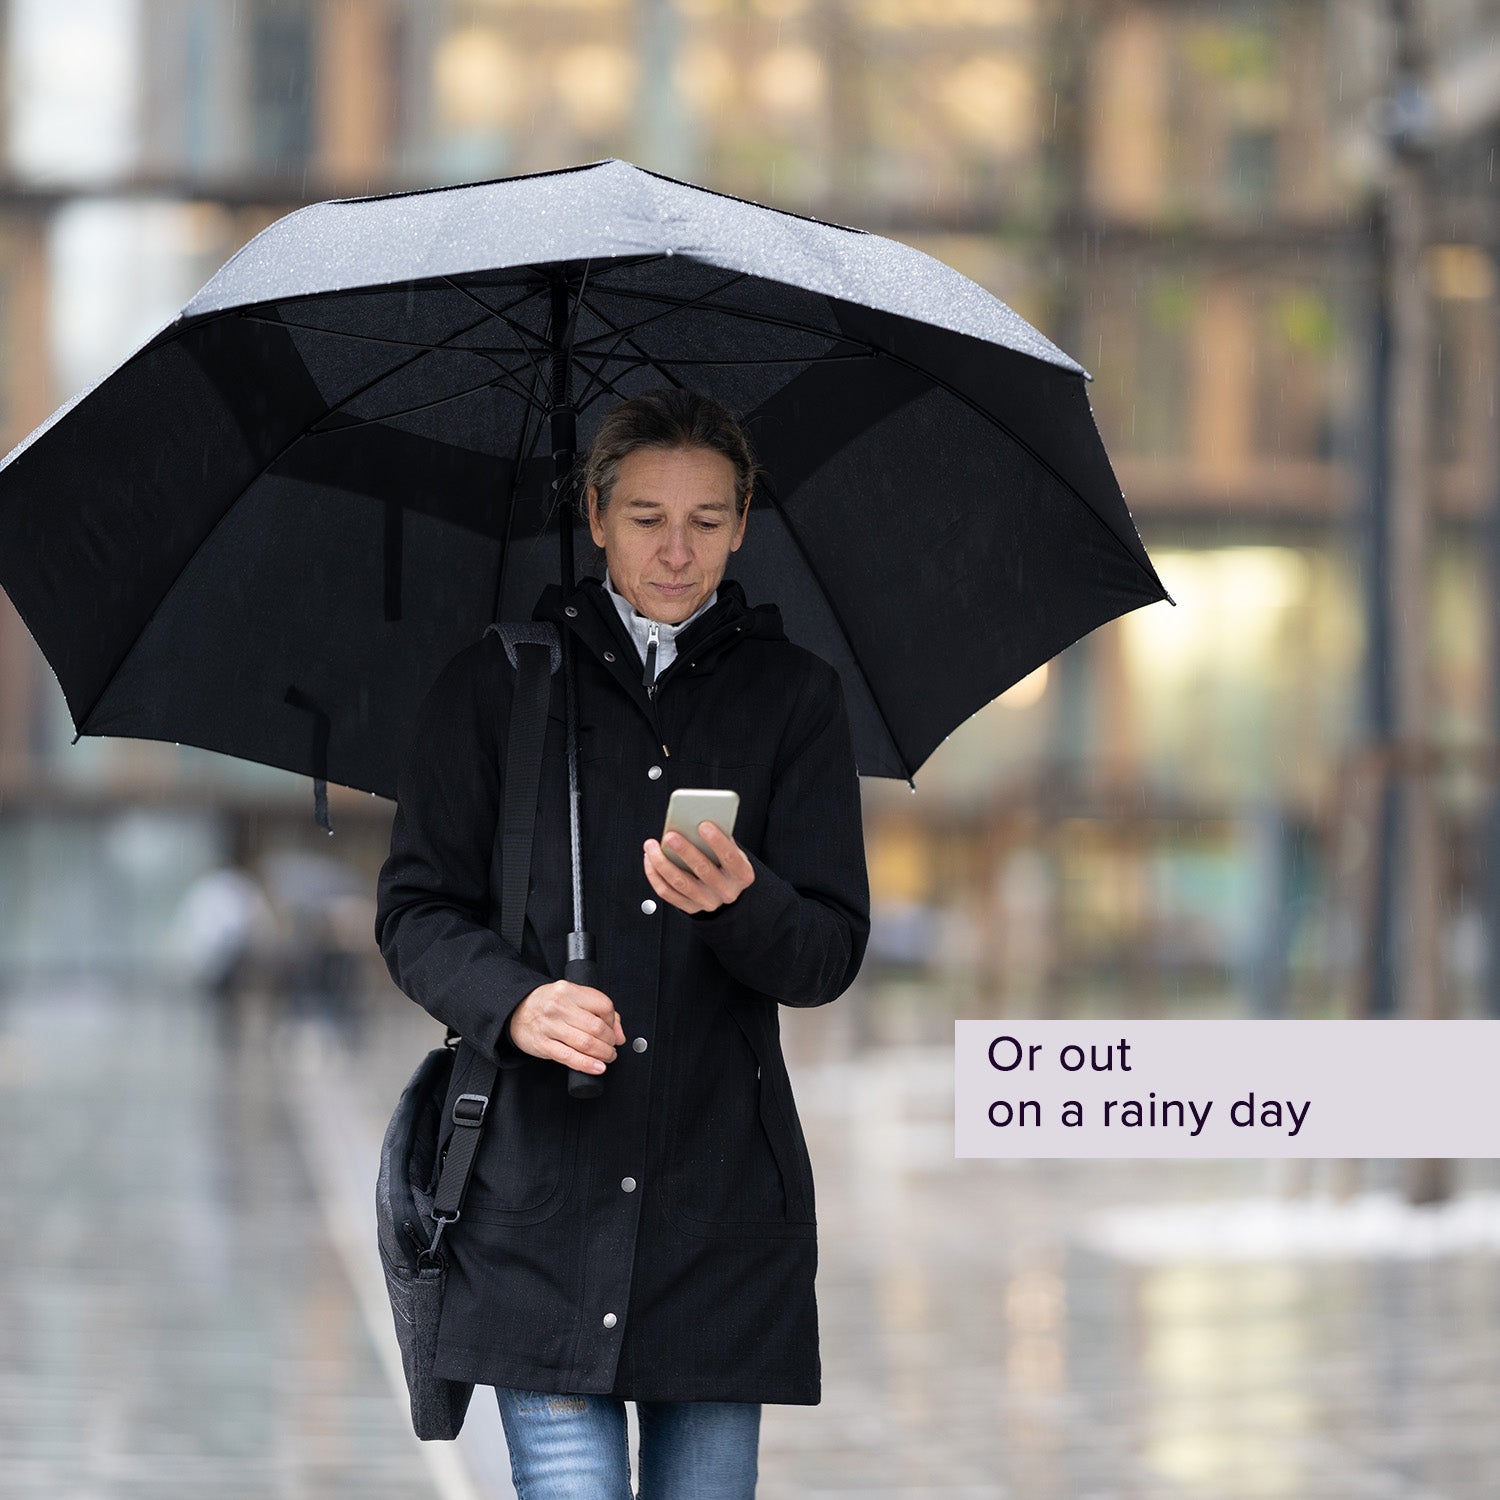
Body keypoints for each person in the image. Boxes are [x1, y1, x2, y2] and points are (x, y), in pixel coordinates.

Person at [373, 387, 870, 1498]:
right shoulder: (495, 686)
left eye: (706, 519)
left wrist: (746, 902)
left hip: (720, 1214)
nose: (677, 550)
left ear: (743, 523)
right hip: (536, 1208)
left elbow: (830, 954)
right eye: (646, 517)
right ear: (594, 516)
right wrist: (517, 1003)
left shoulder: (795, 701)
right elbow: (414, 912)